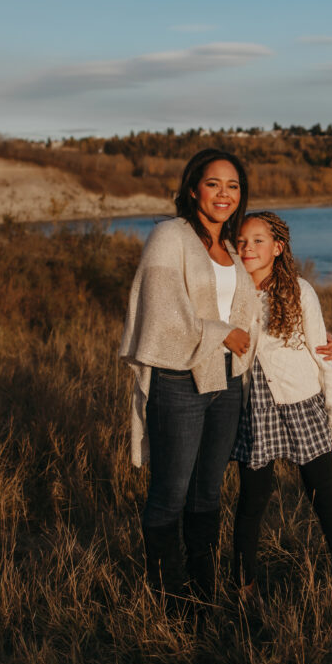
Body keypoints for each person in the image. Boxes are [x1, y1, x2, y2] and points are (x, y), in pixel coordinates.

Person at [119, 149, 259, 598]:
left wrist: (315, 338)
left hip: (227, 380)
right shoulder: (169, 236)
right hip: (179, 378)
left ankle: (203, 590)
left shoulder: (232, 248)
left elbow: (259, 306)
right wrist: (220, 333)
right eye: (214, 183)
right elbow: (161, 312)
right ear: (193, 187)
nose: (224, 194)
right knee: (170, 492)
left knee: (208, 494)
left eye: (233, 186)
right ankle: (168, 596)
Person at [232, 211, 332, 594]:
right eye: (241, 241)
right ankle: (243, 582)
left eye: (257, 240)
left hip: (301, 403)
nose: (248, 248)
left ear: (278, 247)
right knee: (252, 499)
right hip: (253, 406)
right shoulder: (230, 291)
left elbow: (325, 357)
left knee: (323, 495)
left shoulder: (299, 290)